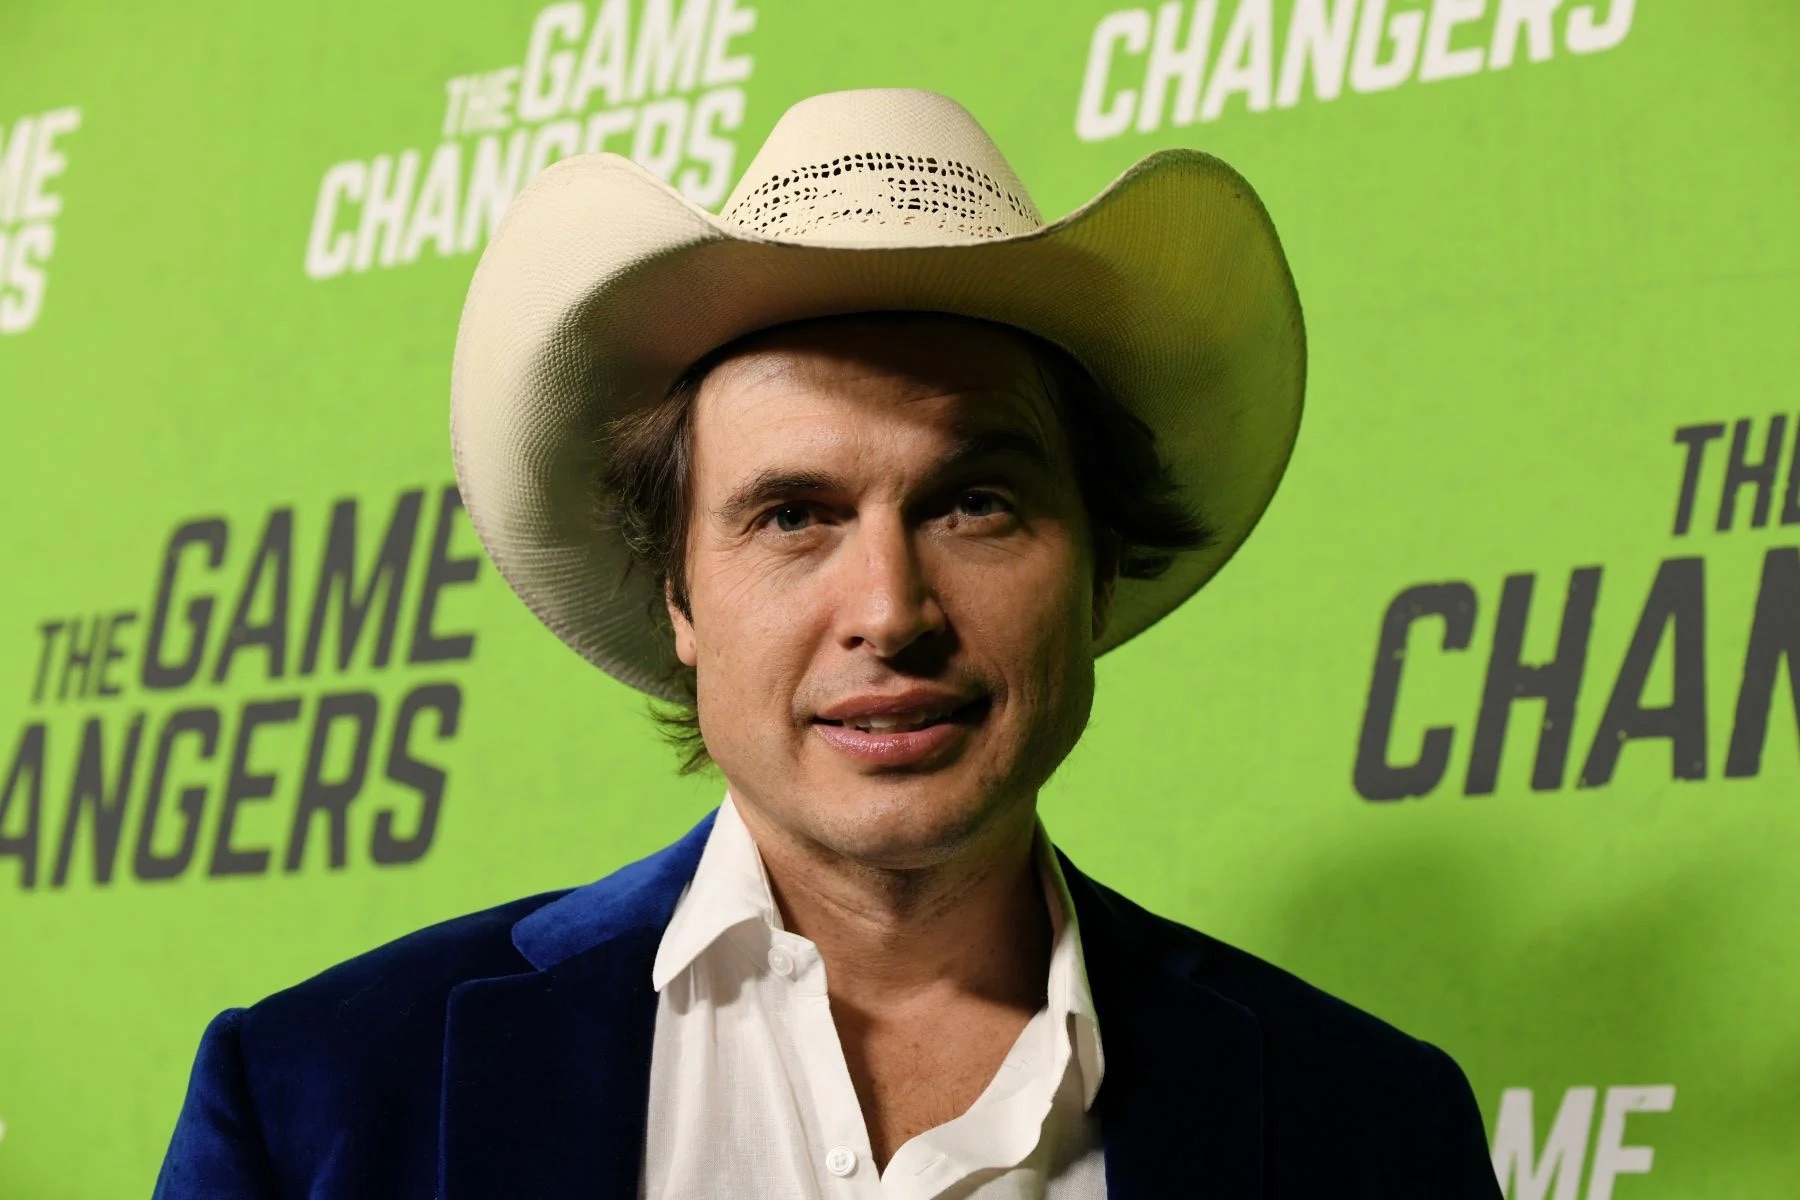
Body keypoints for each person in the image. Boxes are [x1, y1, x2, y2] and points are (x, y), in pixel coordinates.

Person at [154, 89, 1501, 1198]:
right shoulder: (313, 1101)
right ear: (675, 594)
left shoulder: (1373, 1131)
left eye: (974, 503)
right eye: (793, 514)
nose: (891, 610)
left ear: (1097, 566)